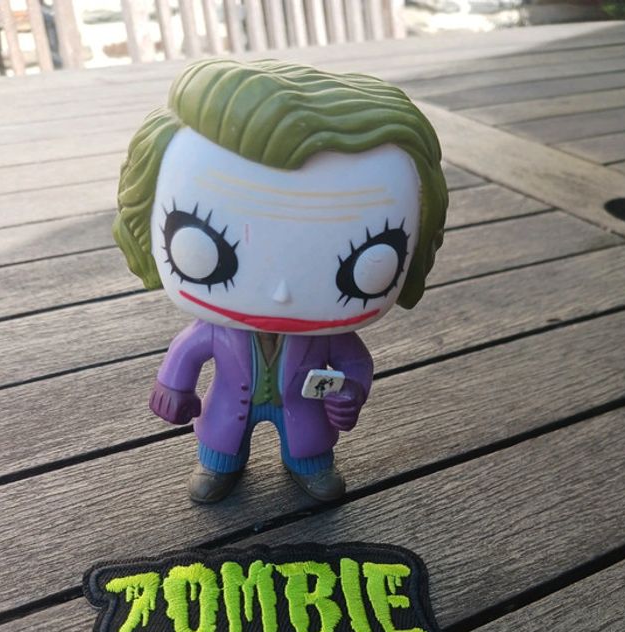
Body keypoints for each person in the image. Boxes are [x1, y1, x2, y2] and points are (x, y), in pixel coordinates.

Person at [113, 59, 447, 503]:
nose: (281, 293)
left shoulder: (331, 336)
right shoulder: (216, 329)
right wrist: (172, 387)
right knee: (220, 447)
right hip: (227, 411)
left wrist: (351, 391)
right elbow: (186, 351)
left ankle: (311, 466)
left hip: (305, 415)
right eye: (201, 249)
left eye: (369, 262)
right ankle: (217, 465)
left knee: (309, 450)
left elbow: (356, 364)